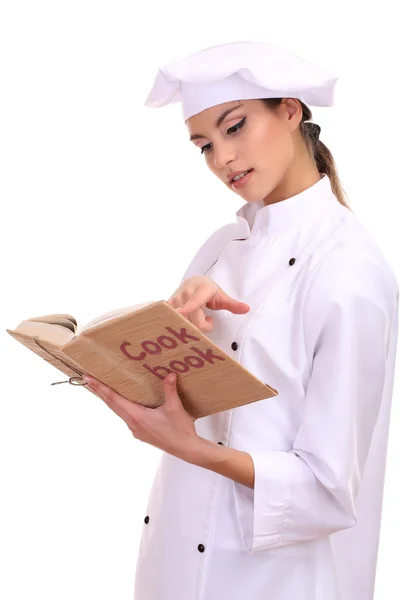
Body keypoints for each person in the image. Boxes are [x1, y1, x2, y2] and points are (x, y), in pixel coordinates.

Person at [84, 41, 399, 599]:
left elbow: (328, 488)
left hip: (272, 579)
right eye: (204, 144)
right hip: (173, 559)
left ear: (291, 110)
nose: (221, 159)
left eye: (234, 127)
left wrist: (190, 447)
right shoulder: (220, 245)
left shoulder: (349, 270)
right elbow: (187, 399)